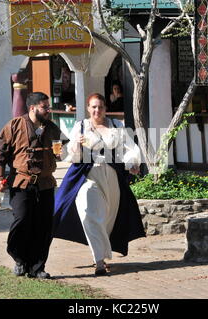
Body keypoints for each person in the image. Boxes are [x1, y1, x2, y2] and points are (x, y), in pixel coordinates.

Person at [53, 93, 145, 276]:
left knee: (107, 217)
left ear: (105, 108)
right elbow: (70, 155)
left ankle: (102, 252)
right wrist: (77, 145)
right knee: (89, 213)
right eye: (93, 107)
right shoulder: (80, 127)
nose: (97, 110)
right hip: (88, 175)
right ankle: (99, 261)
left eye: (100, 107)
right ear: (88, 108)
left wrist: (132, 164)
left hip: (112, 176)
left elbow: (129, 149)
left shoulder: (116, 126)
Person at [0, 92, 66, 279]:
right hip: (21, 182)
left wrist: (62, 152)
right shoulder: (14, 126)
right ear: (32, 108)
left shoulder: (51, 128)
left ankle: (37, 267)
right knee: (22, 221)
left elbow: (60, 151)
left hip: (46, 184)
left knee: (43, 226)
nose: (48, 110)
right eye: (44, 107)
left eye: (48, 107)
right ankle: (19, 259)